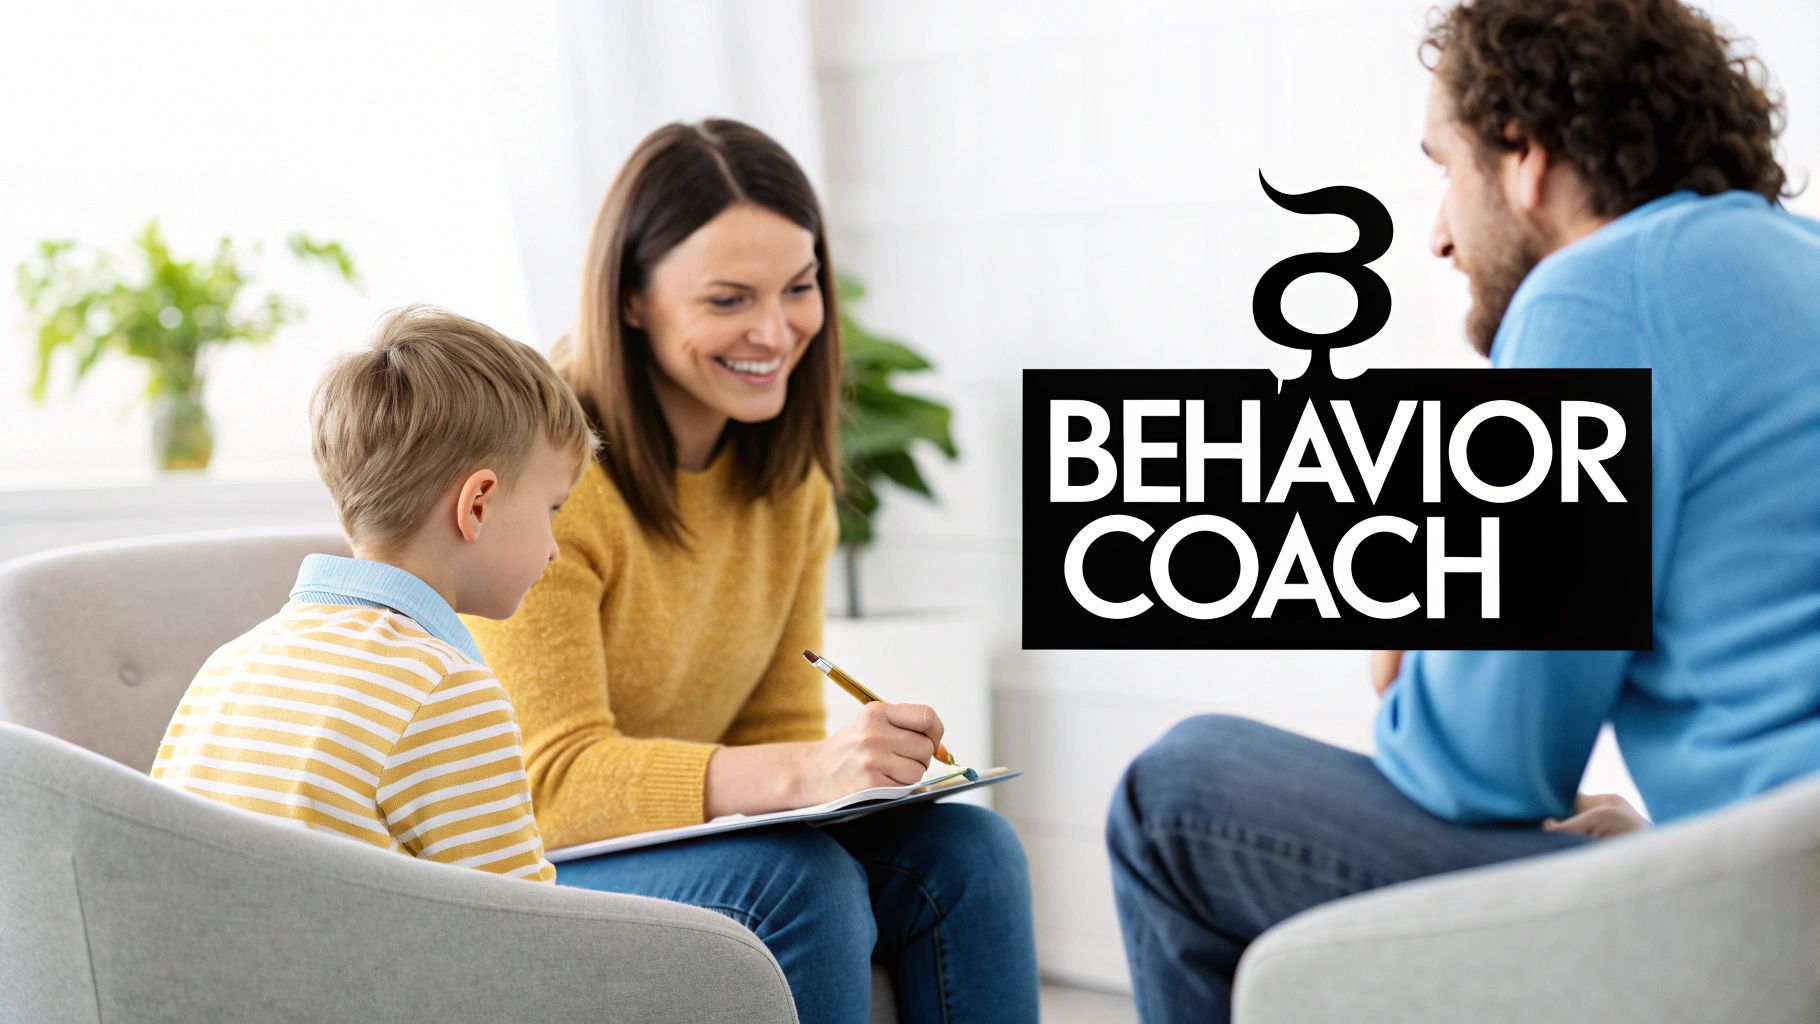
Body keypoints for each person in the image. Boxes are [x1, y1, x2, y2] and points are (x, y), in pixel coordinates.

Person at [1106, 0, 1820, 1019]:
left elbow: (1482, 768)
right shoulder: (1797, 263)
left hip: (1768, 925)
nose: (1439, 234)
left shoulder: (1595, 290)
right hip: (1775, 870)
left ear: (1524, 155)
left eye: (1445, 168)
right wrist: (1660, 850)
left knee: (1173, 797)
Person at [465, 119, 1038, 1024]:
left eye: (799, 288)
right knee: (794, 883)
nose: (776, 331)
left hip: (676, 846)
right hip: (529, 861)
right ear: (630, 299)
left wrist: (839, 777)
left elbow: (775, 726)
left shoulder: (787, 478)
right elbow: (551, 788)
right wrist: (805, 773)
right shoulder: (547, 475)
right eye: (729, 299)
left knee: (971, 853)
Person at [152, 305, 596, 882]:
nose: (555, 548)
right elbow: (521, 922)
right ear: (478, 505)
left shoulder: (227, 664)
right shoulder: (446, 692)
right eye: (553, 509)